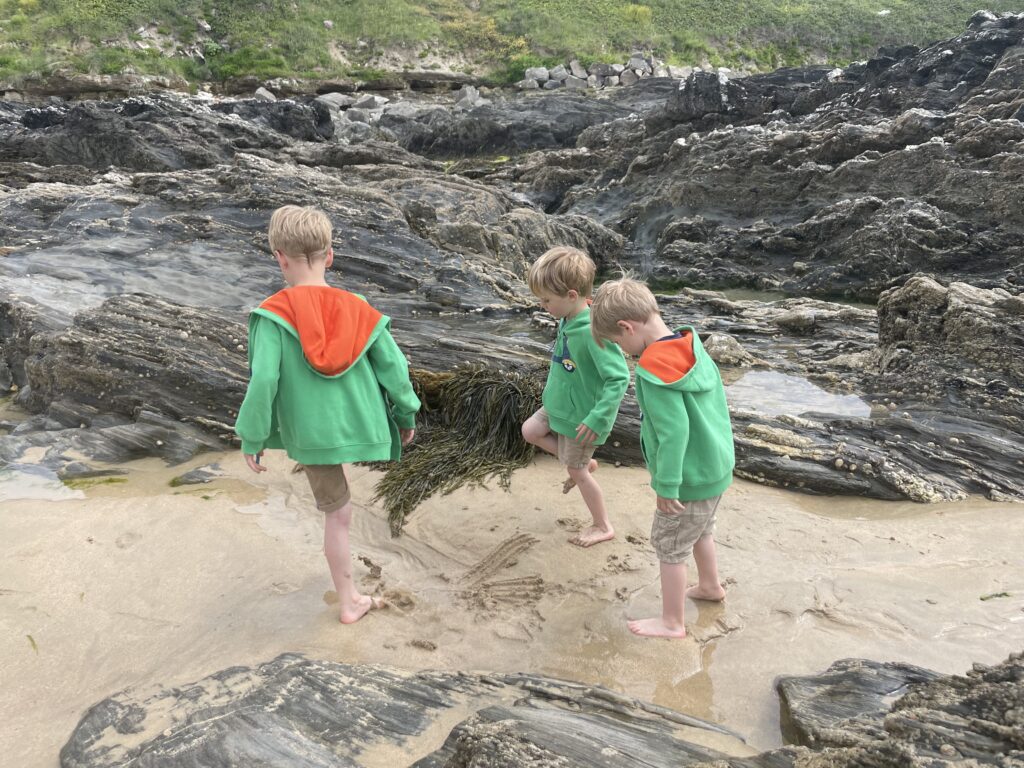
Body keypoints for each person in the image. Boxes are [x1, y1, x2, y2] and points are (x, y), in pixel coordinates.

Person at [235, 205, 420, 624]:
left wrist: (253, 435)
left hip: (313, 436)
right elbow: (395, 367)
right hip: (356, 422)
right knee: (340, 512)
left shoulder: (272, 315)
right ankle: (349, 600)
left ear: (279, 256)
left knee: (337, 514)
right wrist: (405, 414)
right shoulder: (356, 306)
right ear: (330, 255)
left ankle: (350, 598)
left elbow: (264, 380)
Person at [590, 277, 734, 638]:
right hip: (715, 465)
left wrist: (667, 485)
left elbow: (674, 432)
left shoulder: (654, 368)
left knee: (670, 546)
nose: (624, 351)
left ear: (627, 327)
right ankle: (711, 587)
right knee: (702, 529)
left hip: (686, 476)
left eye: (619, 343)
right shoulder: (691, 344)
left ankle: (672, 621)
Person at [521, 246, 630, 547]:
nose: (542, 306)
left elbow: (619, 377)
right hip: (560, 405)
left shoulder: (592, 332)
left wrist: (598, 416)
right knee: (530, 430)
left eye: (546, 300)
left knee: (576, 471)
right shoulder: (568, 318)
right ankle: (582, 464)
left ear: (571, 295)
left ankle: (602, 524)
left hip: (583, 417)